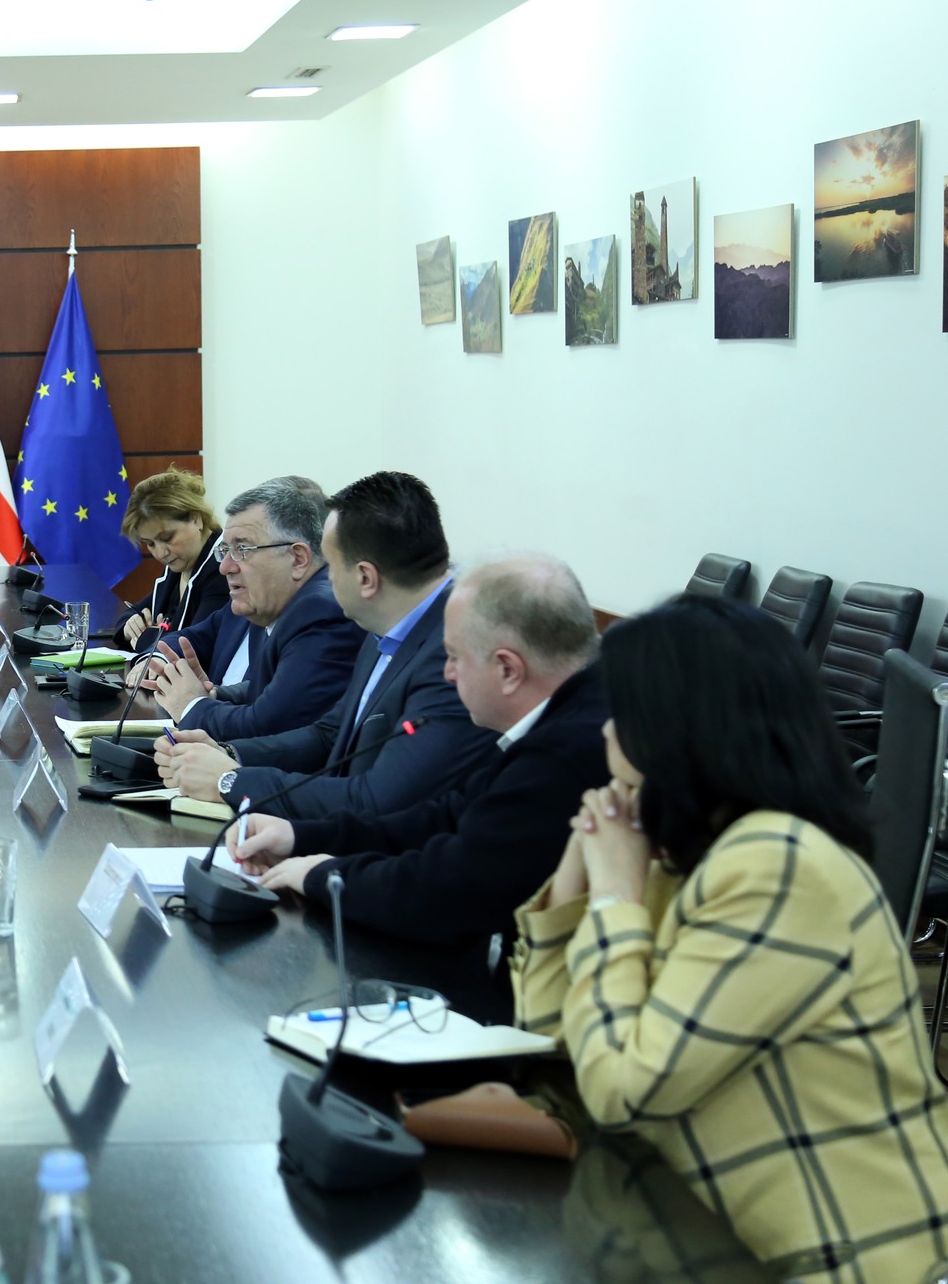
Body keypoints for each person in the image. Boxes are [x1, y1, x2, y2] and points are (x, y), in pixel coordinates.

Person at [512, 596, 948, 1282]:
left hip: (843, 1258)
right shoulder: (679, 849)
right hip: (698, 1234)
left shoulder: (780, 865)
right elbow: (556, 1059)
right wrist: (572, 887)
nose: (606, 732)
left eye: (623, 712)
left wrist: (615, 899)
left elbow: (623, 1092)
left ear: (676, 727)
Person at [227, 555, 607, 964]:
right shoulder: (570, 713)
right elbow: (447, 817)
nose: (447, 674)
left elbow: (447, 890)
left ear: (508, 670)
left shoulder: (569, 752)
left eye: (455, 656)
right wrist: (299, 837)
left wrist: (324, 876)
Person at [154, 470, 496, 819]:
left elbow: (377, 800)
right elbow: (330, 734)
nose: (325, 578)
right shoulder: (382, 627)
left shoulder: (454, 654)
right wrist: (229, 754)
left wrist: (229, 781)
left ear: (365, 578)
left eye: (330, 565)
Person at [142, 477, 360, 742]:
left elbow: (266, 728)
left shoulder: (321, 612)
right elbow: (271, 691)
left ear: (298, 558)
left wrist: (192, 705)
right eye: (225, 550)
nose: (225, 567)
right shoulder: (263, 603)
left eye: (242, 549)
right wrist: (214, 694)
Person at [114, 467, 228, 651]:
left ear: (196, 519)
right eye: (150, 543)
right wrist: (130, 626)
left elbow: (195, 645)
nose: (160, 553)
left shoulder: (222, 569)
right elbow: (133, 612)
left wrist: (147, 638)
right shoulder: (180, 564)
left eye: (167, 538)